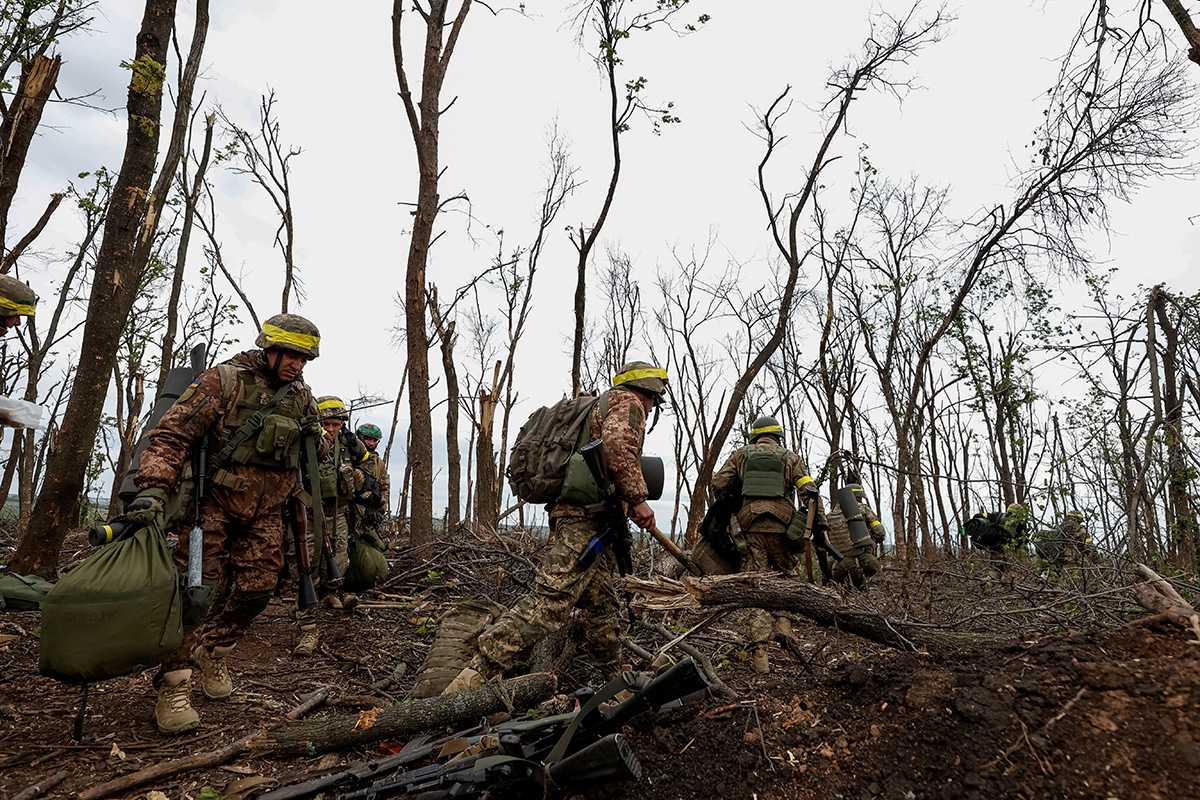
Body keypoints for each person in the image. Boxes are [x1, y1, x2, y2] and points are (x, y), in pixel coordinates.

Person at [128, 314, 325, 734]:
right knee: (194, 593)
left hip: (266, 510)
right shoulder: (223, 381)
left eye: (305, 358)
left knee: (257, 590)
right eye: (291, 355)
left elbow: (314, 455)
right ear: (269, 349)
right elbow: (171, 436)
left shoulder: (300, 397)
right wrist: (153, 487)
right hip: (211, 503)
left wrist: (315, 437)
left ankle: (210, 649)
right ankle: (174, 684)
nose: (298, 365)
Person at [444, 361, 667, 693]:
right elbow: (619, 447)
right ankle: (473, 676)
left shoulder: (601, 404)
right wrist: (638, 500)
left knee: (603, 607)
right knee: (550, 602)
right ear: (650, 392)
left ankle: (617, 681)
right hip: (584, 521)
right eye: (654, 401)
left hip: (593, 521)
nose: (651, 407)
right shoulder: (628, 402)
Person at [710, 416, 827, 675]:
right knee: (787, 576)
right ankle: (784, 622)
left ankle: (760, 651)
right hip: (783, 526)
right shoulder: (790, 457)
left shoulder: (741, 455)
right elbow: (809, 490)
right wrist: (812, 525)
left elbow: (718, 482)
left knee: (756, 584)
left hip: (750, 526)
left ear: (755, 436)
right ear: (777, 436)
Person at [292, 395, 374, 656]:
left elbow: (366, 464)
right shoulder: (307, 443)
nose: (331, 429)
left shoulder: (349, 444)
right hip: (307, 508)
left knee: (339, 555)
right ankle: (306, 612)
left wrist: (360, 479)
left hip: (338, 509)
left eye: (336, 424)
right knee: (308, 558)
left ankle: (330, 592)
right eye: (326, 424)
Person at [827, 470, 886, 588]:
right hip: (860, 562)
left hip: (836, 566)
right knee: (877, 572)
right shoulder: (863, 509)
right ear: (858, 497)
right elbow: (880, 532)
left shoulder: (830, 515)